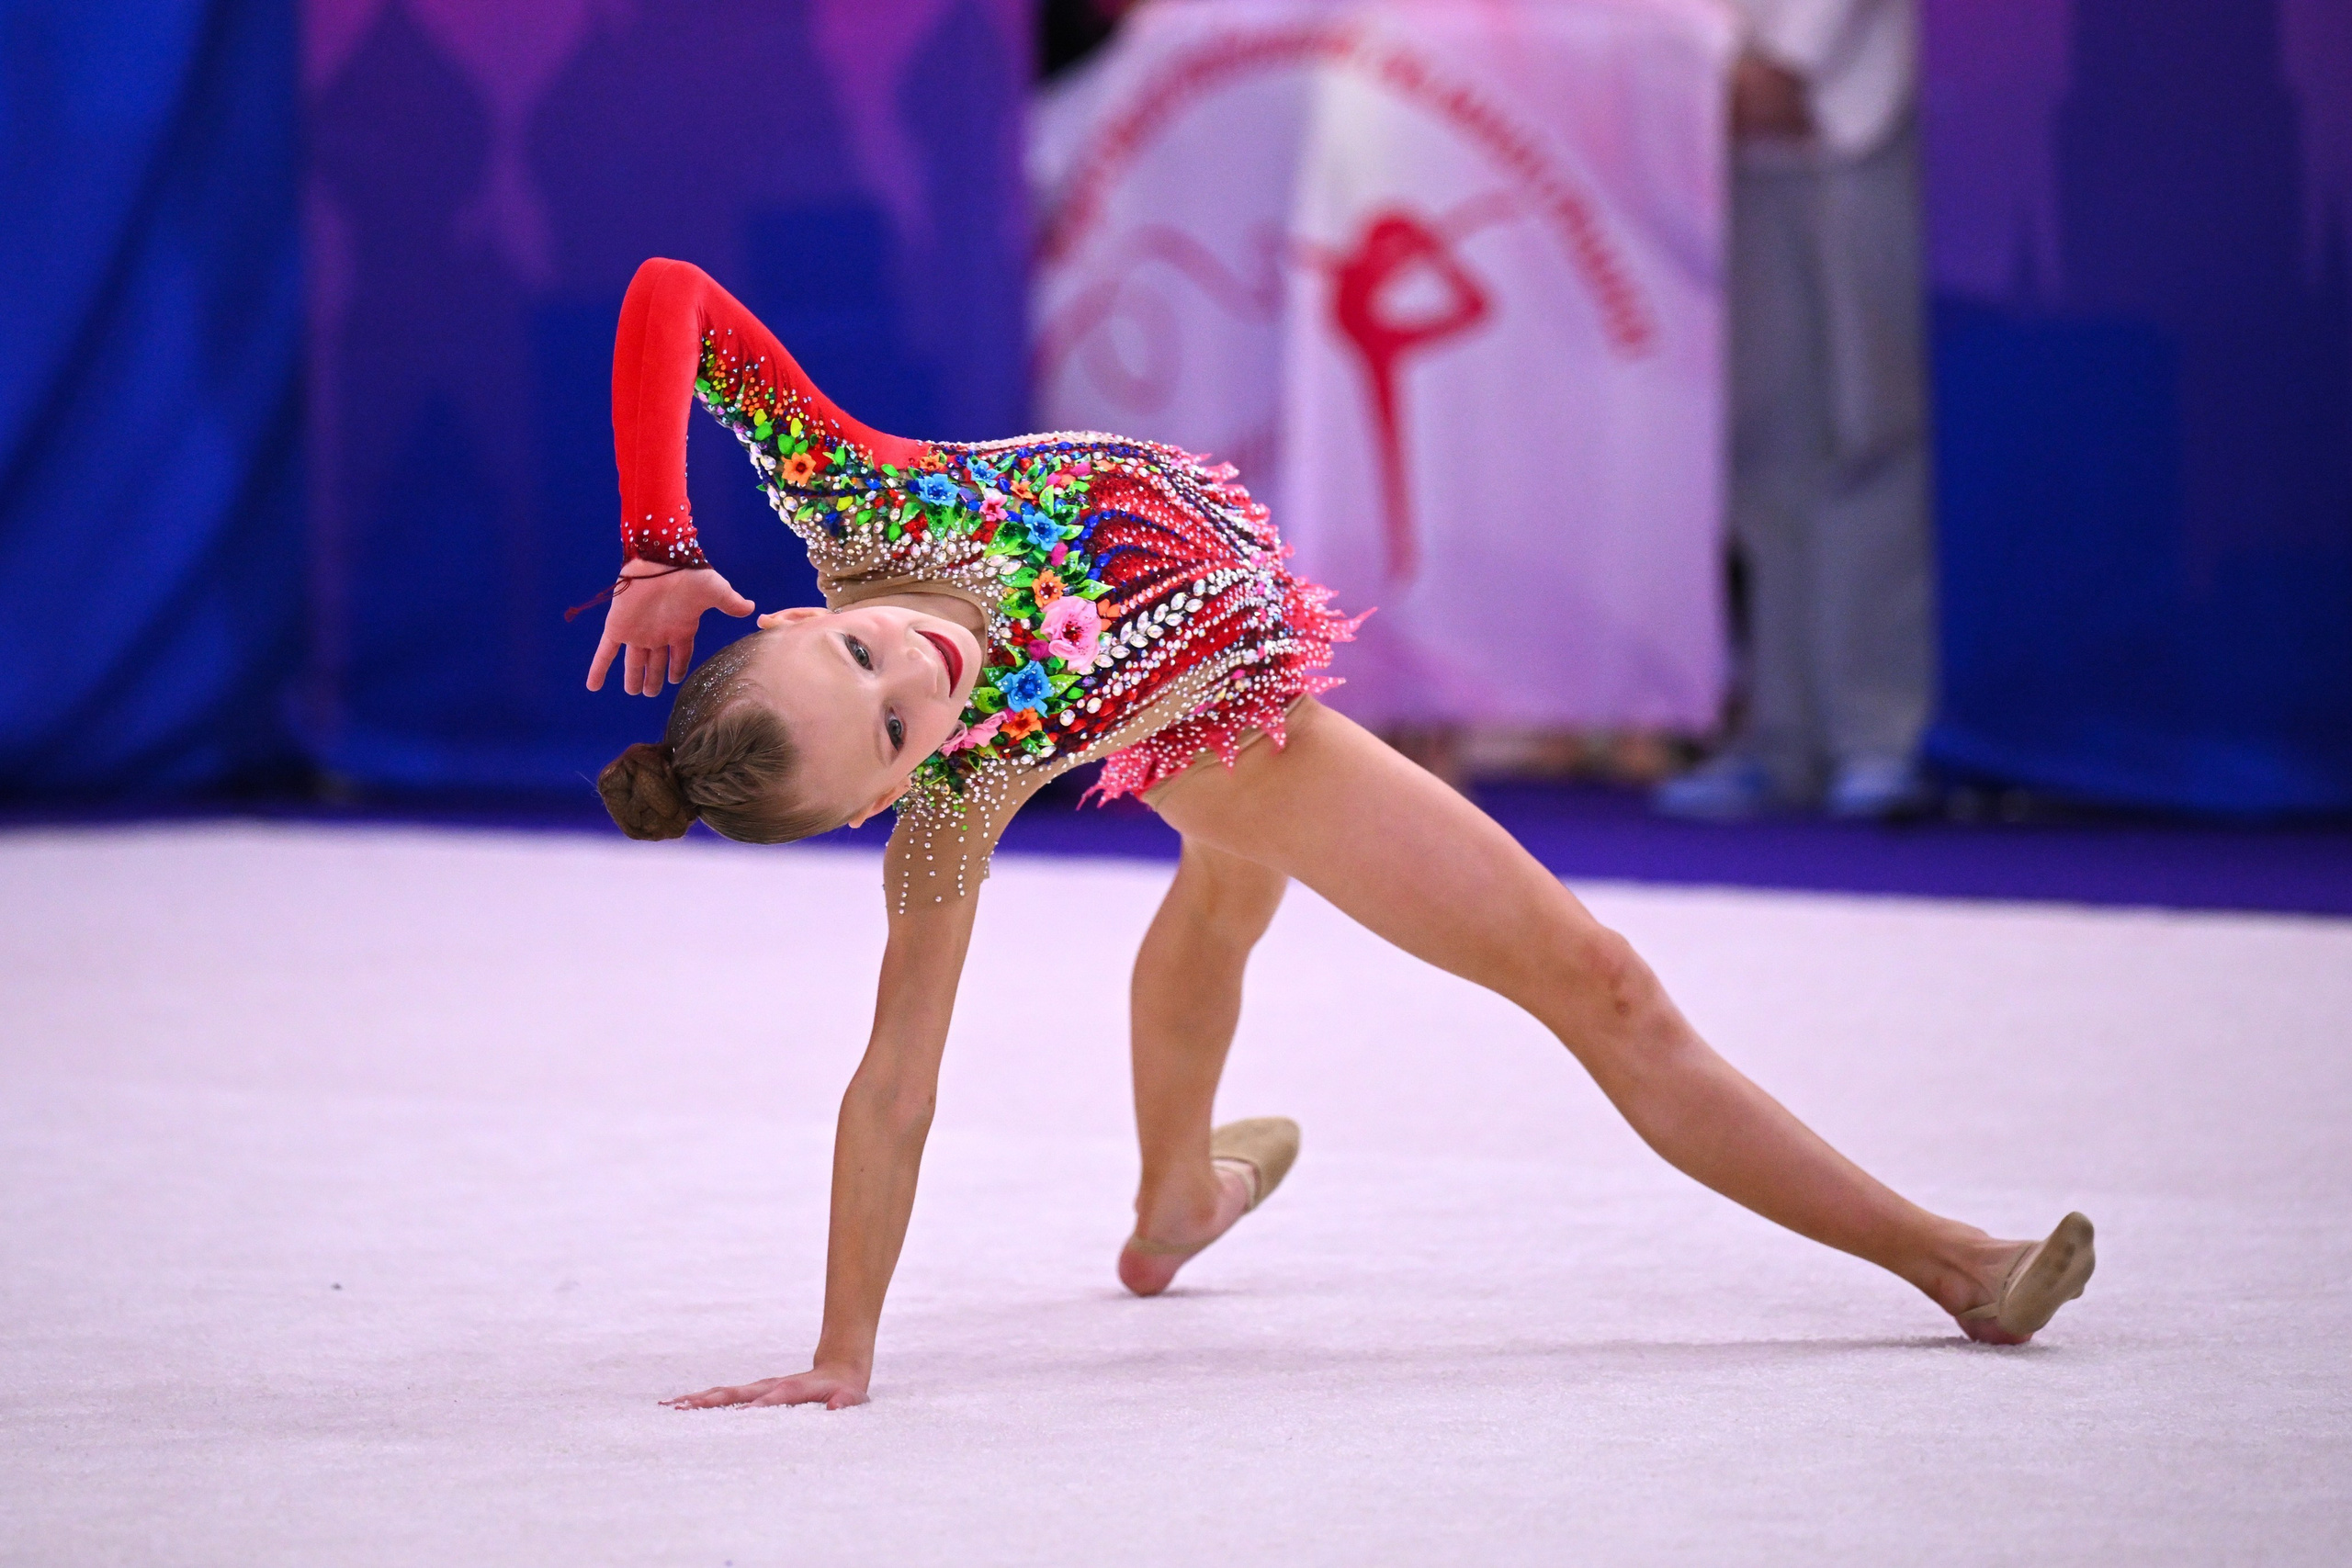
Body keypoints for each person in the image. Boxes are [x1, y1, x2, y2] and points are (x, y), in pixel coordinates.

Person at [587, 258, 2090, 1411]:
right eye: (894, 733)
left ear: (799, 612)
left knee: (1227, 892)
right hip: (1236, 726)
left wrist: (659, 535)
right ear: (883, 798)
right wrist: (843, 1351)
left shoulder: (857, 494)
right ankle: (1957, 1265)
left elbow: (672, 297)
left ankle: (1176, 1203)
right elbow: (896, 1081)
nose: (915, 674)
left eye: (860, 654)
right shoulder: (952, 806)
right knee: (1600, 980)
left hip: (1222, 682)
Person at [1657, 0, 1936, 820]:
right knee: (1762, 436)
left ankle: (1880, 729)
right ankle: (1782, 732)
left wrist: (1790, 56)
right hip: (1717, 110)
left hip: (1852, 105)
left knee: (1872, 424)